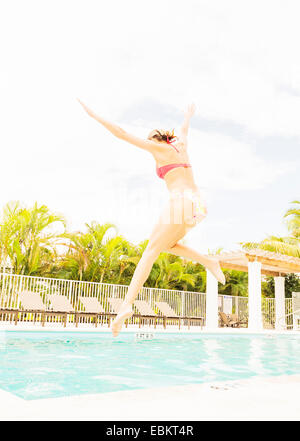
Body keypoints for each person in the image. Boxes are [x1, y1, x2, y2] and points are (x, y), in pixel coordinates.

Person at [78, 100, 225, 337]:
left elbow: (122, 133)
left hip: (181, 201)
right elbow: (184, 130)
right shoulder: (180, 145)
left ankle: (126, 305)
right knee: (166, 245)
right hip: (198, 205)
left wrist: (94, 115)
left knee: (150, 251)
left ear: (156, 141)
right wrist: (187, 116)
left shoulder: (160, 148)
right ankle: (209, 261)